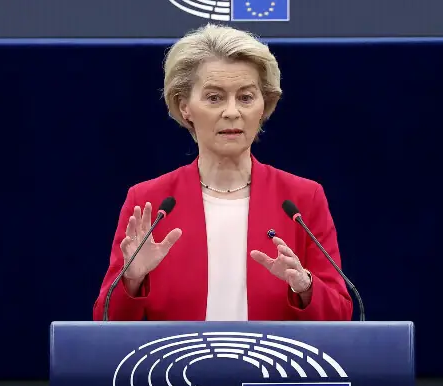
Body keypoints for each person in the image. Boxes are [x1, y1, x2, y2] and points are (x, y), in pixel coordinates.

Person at [92, 24, 352, 321]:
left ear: (263, 105)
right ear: (185, 106)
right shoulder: (150, 202)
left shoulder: (301, 199)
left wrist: (305, 287)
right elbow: (105, 323)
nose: (232, 112)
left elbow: (342, 317)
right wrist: (132, 280)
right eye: (214, 97)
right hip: (176, 366)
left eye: (245, 97)